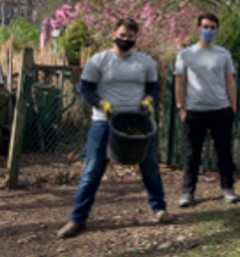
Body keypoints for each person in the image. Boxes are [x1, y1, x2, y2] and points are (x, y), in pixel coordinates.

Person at [58, 19, 169, 238]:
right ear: (114, 35)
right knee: (92, 170)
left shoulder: (145, 62)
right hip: (104, 122)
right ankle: (77, 219)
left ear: (136, 38)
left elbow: (154, 88)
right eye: (122, 35)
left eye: (131, 37)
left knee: (151, 167)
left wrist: (148, 100)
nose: (126, 39)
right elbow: (84, 90)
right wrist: (102, 103)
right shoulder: (98, 61)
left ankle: (159, 209)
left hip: (138, 122)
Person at [174, 13, 240, 206]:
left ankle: (228, 189)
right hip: (194, 111)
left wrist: (233, 106)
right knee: (191, 154)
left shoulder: (223, 54)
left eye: (212, 27)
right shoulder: (185, 54)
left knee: (224, 152)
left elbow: (230, 81)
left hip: (221, 110)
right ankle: (188, 192)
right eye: (205, 27)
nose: (209, 30)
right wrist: (180, 107)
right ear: (198, 28)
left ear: (217, 30)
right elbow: (180, 83)